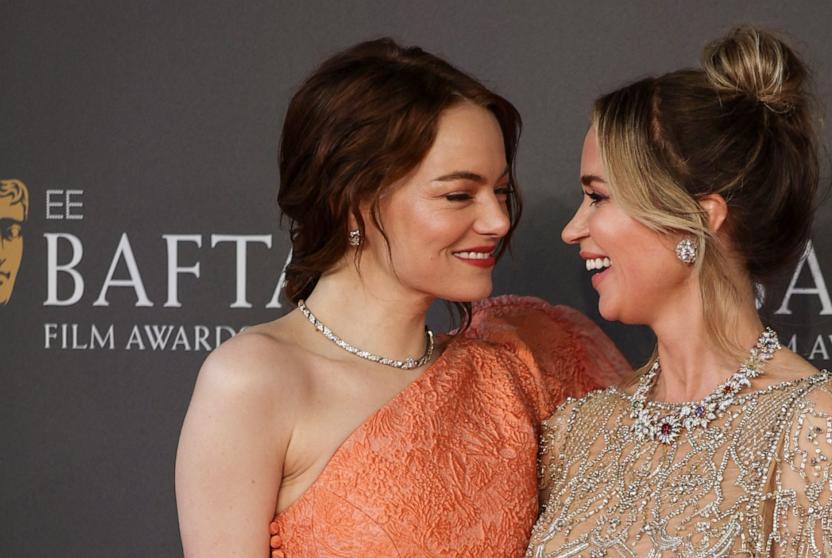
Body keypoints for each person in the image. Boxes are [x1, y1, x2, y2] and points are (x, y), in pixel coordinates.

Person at [175, 39, 627, 557]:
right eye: (459, 195)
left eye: (501, 191)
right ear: (353, 202)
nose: (498, 221)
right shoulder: (253, 382)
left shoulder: (518, 362)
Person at [528, 26, 832, 557]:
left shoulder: (812, 420)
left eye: (598, 197)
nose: (572, 229)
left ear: (699, 216)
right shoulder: (576, 431)